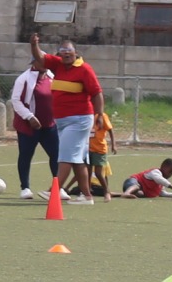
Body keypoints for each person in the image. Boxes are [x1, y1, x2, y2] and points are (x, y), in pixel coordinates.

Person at [38, 42, 102, 199]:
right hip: (62, 121)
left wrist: (99, 114)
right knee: (77, 160)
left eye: (69, 51)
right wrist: (34, 44)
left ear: (75, 53)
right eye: (63, 52)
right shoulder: (58, 66)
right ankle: (87, 196)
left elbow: (96, 93)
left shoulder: (84, 69)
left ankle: (54, 190)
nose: (66, 54)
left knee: (65, 156)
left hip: (79, 119)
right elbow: (40, 57)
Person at [8, 47, 57, 198]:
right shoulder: (24, 79)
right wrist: (29, 116)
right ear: (34, 62)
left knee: (57, 155)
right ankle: (25, 188)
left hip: (50, 125)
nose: (44, 63)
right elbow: (16, 101)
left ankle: (57, 187)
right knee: (26, 154)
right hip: (30, 126)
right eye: (41, 60)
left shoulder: (51, 76)